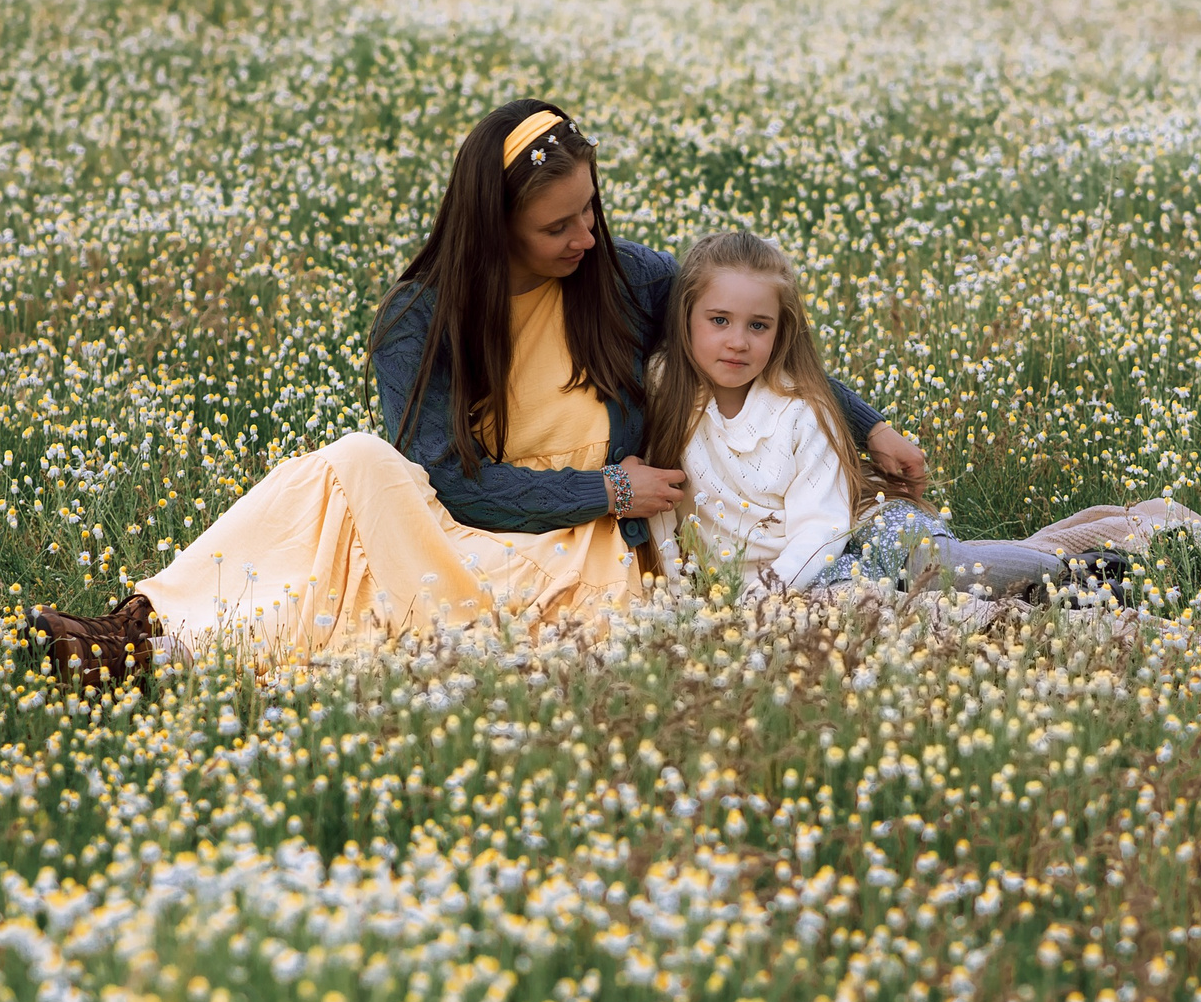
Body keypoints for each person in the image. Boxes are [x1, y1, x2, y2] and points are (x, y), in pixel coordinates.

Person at [53, 101, 927, 668]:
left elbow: (745, 334)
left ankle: (151, 645)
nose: (587, 236)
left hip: (586, 557)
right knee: (344, 468)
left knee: (349, 577)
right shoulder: (420, 322)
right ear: (495, 227)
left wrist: (867, 424)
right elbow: (448, 483)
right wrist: (609, 484)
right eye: (558, 226)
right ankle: (141, 624)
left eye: (591, 208)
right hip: (467, 530)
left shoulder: (622, 278)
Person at [645, 230, 1109, 601]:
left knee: (947, 571)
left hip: (848, 538)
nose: (737, 342)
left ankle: (1078, 571)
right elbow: (661, 508)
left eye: (758, 326)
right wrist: (678, 591)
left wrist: (767, 595)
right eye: (719, 320)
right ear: (685, 317)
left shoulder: (800, 410)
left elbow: (821, 527)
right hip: (775, 577)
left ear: (781, 332)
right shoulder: (662, 389)